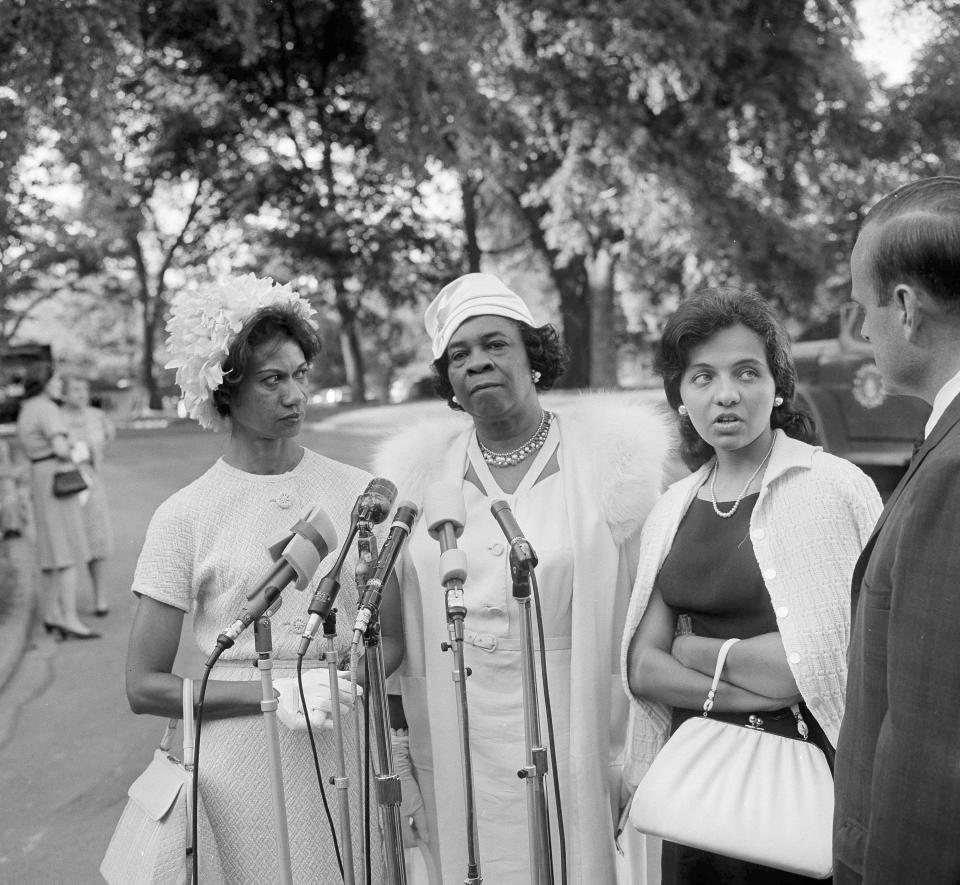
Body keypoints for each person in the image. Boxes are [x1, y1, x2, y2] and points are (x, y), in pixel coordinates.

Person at [374, 272, 673, 884]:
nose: (477, 363)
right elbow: (397, 624)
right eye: (459, 355)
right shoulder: (421, 475)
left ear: (534, 356)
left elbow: (652, 609)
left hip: (578, 729)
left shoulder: (610, 463)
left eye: (495, 344)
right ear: (448, 380)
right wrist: (398, 747)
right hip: (458, 737)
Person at [124, 273, 403, 884]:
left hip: (347, 744)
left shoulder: (359, 492)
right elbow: (143, 686)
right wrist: (275, 698)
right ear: (224, 388)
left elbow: (394, 636)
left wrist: (351, 680)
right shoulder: (184, 515)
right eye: (272, 379)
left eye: (300, 374)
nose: (295, 394)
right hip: (237, 760)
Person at [621, 288, 881, 884]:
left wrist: (693, 652)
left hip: (800, 787)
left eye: (747, 372)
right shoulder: (673, 509)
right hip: (698, 785)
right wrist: (744, 691)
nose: (726, 393)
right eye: (702, 377)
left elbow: (807, 667)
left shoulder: (829, 488)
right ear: (681, 398)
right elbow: (641, 669)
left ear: (779, 385)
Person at [833, 176, 960, 884]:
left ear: (906, 308)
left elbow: (933, 749)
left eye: (864, 307)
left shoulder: (954, 468)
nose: (865, 331)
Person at [16, 366, 98, 639]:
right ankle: (69, 617)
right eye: (53, 381)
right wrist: (76, 454)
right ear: (43, 383)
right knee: (67, 551)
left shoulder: (27, 409)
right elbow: (62, 448)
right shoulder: (47, 409)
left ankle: (52, 613)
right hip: (56, 477)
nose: (57, 387)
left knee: (51, 551)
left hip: (39, 478)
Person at [61, 375, 115, 616]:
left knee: (96, 540)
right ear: (63, 393)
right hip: (65, 483)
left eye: (84, 388)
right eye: (75, 389)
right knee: (67, 542)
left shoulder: (97, 416)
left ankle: (99, 598)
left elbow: (107, 438)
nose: (81, 394)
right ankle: (66, 604)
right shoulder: (56, 416)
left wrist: (94, 451)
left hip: (92, 483)